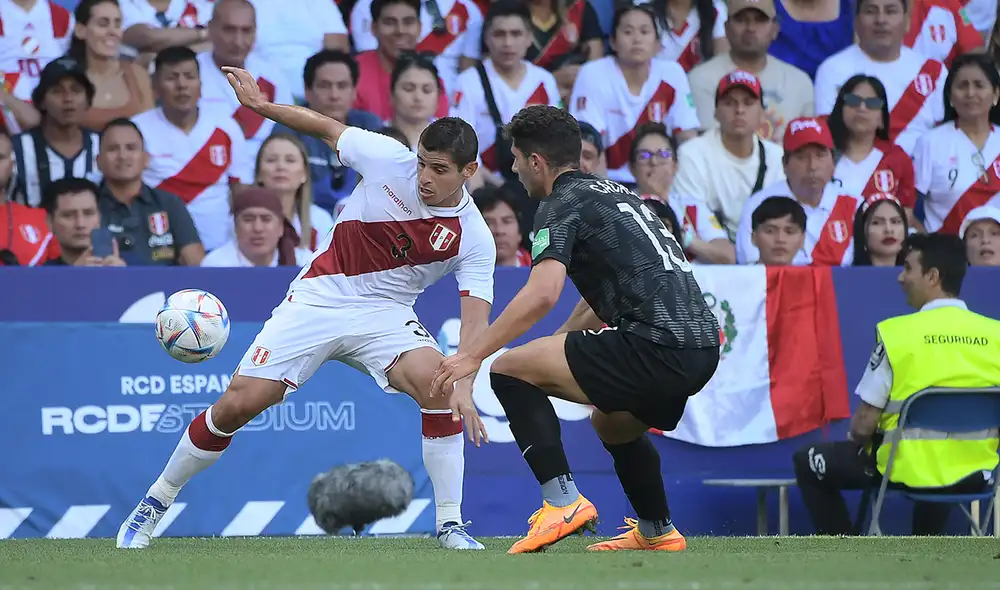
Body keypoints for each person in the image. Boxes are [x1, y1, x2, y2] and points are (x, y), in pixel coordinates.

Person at [117, 66, 497, 553]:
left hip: (386, 312)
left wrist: (464, 382)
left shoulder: (475, 237)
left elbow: (475, 319)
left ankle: (450, 525)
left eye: (439, 169)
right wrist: (261, 107)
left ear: (469, 172)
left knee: (439, 387)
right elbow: (325, 126)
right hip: (320, 296)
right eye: (422, 162)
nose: (424, 177)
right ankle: (154, 503)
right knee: (236, 404)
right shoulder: (387, 158)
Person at [431, 105, 721, 553]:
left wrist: (473, 355)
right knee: (614, 423)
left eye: (515, 157)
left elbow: (543, 292)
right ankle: (658, 531)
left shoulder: (558, 203)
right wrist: (561, 340)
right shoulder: (615, 193)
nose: (512, 168)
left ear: (536, 162)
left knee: (508, 370)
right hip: (701, 346)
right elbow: (605, 290)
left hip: (657, 345)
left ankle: (562, 502)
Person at [793, 233, 1000, 536]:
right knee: (940, 464)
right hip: (977, 474)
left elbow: (864, 424)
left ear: (932, 276)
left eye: (907, 268)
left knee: (807, 461)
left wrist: (859, 438)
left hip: (903, 471)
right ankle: (925, 546)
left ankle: (844, 551)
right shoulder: (995, 335)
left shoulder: (897, 335)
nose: (900, 278)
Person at [569, 2, 700, 184]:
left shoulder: (672, 73)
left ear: (657, 44)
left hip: (664, 182)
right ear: (613, 41)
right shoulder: (593, 74)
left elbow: (687, 137)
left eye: (644, 31)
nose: (636, 39)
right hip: (611, 181)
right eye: (628, 32)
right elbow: (589, 144)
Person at [814, 0, 947, 156]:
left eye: (890, 11)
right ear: (856, 22)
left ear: (906, 22)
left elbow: (948, 136)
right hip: (856, 174)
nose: (881, 20)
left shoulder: (933, 71)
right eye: (871, 11)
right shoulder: (832, 69)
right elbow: (829, 136)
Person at [450, 0, 560, 181]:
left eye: (516, 34)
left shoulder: (545, 80)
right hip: (486, 184)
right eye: (499, 34)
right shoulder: (468, 82)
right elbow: (461, 147)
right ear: (487, 38)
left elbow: (555, 140)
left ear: (529, 37)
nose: (508, 42)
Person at [736, 117, 862, 266]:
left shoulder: (855, 205)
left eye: (820, 155)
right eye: (801, 157)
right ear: (784, 164)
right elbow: (752, 269)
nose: (812, 166)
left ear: (833, 161)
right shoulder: (759, 204)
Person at [687, 0, 813, 143]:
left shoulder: (799, 82)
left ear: (775, 29)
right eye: (741, 20)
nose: (751, 28)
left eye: (760, 20)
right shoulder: (701, 79)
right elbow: (707, 146)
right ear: (726, 28)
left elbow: (806, 146)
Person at [96, 117, 204, 266]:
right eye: (113, 149)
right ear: (98, 161)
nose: (122, 156)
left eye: (131, 148)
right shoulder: (88, 207)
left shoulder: (169, 204)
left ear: (146, 159)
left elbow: (196, 265)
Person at [913, 53, 1000, 235]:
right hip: (949, 258)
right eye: (962, 86)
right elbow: (907, 208)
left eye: (979, 85)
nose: (970, 93)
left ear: (995, 94)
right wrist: (930, 246)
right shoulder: (930, 143)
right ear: (950, 97)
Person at [828, 75, 916, 218]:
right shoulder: (822, 151)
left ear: (882, 118)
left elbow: (906, 213)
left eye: (872, 103)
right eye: (853, 101)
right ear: (840, 108)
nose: (862, 108)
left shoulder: (898, 159)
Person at [70, 0, 155, 132]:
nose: (112, 31)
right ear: (81, 30)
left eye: (117, 24)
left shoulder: (137, 74)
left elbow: (150, 131)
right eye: (103, 24)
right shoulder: (66, 76)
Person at [202, 186, 312, 267]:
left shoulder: (304, 263)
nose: (257, 228)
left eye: (266, 219)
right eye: (248, 219)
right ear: (235, 226)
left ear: (281, 228)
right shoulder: (215, 265)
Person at [851, 196, 908, 267]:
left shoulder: (918, 277)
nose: (888, 230)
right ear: (862, 231)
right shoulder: (845, 277)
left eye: (895, 222)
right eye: (876, 223)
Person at [750, 196, 807, 265]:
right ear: (754, 237)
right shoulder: (738, 275)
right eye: (770, 231)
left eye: (789, 232)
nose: (780, 239)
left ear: (802, 239)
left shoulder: (811, 275)